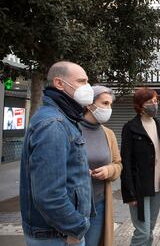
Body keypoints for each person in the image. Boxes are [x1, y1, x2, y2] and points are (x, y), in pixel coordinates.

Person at [20, 61, 94, 246]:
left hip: (59, 232)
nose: (87, 87)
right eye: (81, 81)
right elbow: (49, 193)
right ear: (59, 83)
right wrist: (76, 228)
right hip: (56, 235)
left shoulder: (63, 118)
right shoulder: (53, 123)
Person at [120, 87, 160, 246]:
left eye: (156, 101)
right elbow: (126, 161)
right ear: (140, 104)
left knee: (149, 231)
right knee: (142, 233)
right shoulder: (130, 128)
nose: (154, 104)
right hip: (139, 188)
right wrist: (129, 193)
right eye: (150, 101)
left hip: (158, 185)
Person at [81, 86, 122, 246]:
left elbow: (118, 164)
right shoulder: (71, 129)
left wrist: (109, 170)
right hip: (74, 206)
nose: (108, 108)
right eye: (105, 103)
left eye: (110, 104)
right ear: (89, 104)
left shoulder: (108, 133)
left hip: (99, 204)